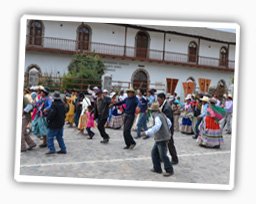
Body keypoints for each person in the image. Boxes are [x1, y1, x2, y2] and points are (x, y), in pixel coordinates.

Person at [142, 102, 174, 177]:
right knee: (154, 152)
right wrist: (166, 130)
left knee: (163, 155)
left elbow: (157, 126)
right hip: (162, 137)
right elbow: (169, 123)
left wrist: (147, 132)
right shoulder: (162, 115)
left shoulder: (157, 116)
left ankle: (169, 170)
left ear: (153, 111)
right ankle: (157, 168)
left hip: (162, 138)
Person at [157, 93, 179, 165]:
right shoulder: (164, 105)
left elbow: (167, 120)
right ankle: (161, 157)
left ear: (163, 98)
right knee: (163, 143)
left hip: (168, 129)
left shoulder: (167, 108)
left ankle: (175, 159)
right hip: (165, 129)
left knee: (169, 144)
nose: (158, 101)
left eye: (159, 100)